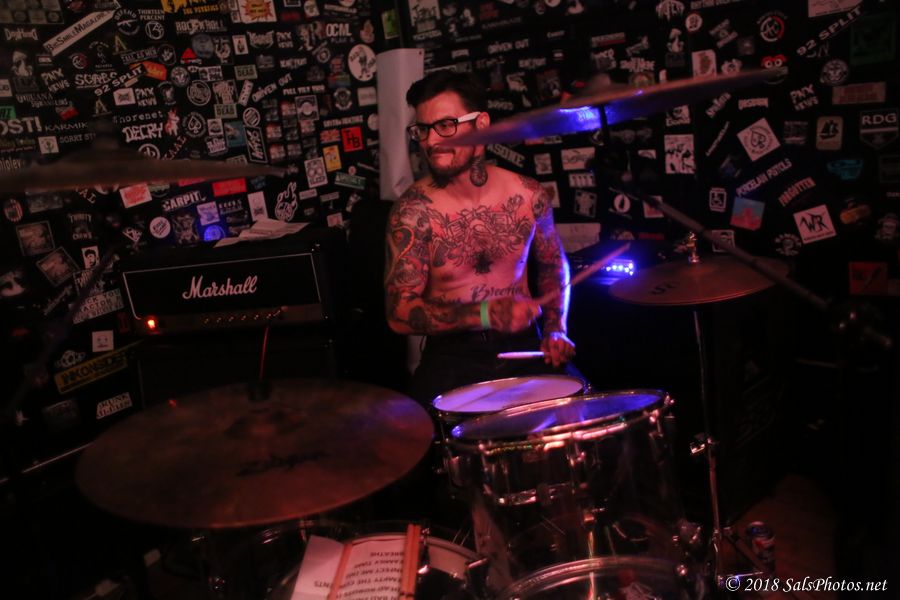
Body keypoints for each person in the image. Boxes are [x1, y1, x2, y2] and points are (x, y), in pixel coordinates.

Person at [385, 71, 579, 406]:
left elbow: (552, 264)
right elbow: (398, 312)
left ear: (482, 124)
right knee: (425, 430)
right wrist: (485, 313)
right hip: (453, 356)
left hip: (524, 345)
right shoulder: (413, 211)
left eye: (446, 125)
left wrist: (555, 328)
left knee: (581, 414)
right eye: (423, 129)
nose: (430, 141)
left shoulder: (528, 194)